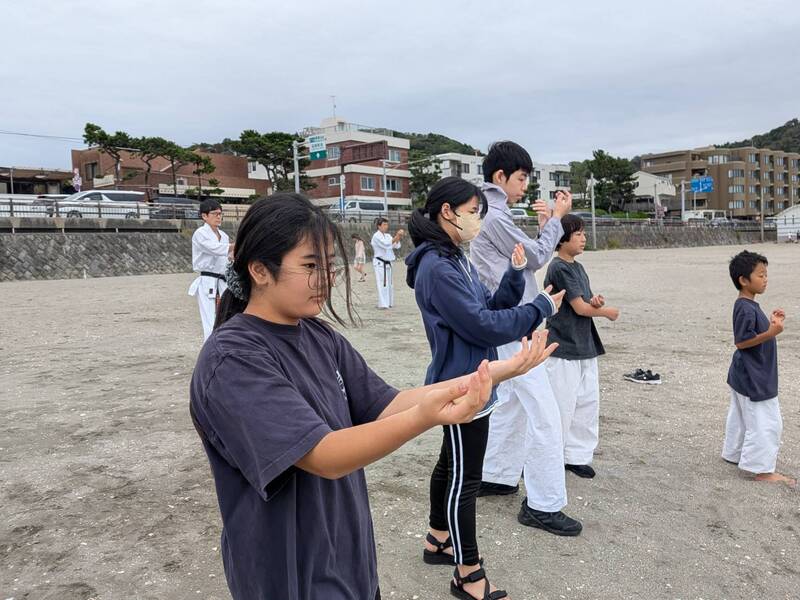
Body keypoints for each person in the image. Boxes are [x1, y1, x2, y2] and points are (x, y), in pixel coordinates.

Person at [189, 193, 556, 600]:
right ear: (259, 269)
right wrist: (429, 416)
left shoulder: (319, 335)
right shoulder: (233, 358)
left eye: (329, 265)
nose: (326, 278)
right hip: (289, 571)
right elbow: (324, 455)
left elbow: (385, 404)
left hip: (347, 557)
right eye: (310, 266)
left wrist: (501, 370)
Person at [406, 176, 563, 600]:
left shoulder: (453, 257)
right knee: (465, 478)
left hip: (470, 376)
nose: (478, 220)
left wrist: (515, 277)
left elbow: (487, 306)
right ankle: (467, 572)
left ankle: (438, 539)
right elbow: (481, 325)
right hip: (461, 385)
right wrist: (539, 308)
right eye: (474, 212)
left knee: (450, 466)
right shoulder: (437, 266)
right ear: (448, 212)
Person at [470, 141, 583, 536]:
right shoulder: (495, 214)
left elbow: (521, 255)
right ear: (500, 177)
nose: (523, 186)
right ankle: (543, 503)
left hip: (505, 320)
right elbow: (534, 258)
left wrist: (545, 225)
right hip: (514, 322)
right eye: (520, 178)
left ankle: (497, 474)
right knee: (544, 413)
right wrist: (556, 218)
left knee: (513, 405)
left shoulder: (486, 211)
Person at [543, 214, 619, 480]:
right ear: (562, 239)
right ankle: (555, 457)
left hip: (584, 344)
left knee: (587, 404)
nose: (583, 238)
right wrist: (605, 312)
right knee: (562, 406)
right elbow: (578, 307)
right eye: (577, 234)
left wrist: (596, 301)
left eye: (584, 233)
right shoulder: (558, 267)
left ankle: (576, 457)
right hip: (563, 346)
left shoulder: (577, 267)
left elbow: (586, 301)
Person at [722, 250, 794, 485]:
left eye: (766, 274)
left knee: (741, 417)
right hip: (754, 375)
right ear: (744, 280)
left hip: (744, 373)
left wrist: (771, 322)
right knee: (767, 421)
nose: (765, 279)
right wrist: (771, 332)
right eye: (760, 275)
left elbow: (754, 332)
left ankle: (733, 454)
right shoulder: (745, 306)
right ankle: (762, 470)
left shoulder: (748, 305)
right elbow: (742, 341)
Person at [187, 199, 232, 341]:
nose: (219, 217)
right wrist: (235, 246)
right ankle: (210, 348)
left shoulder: (224, 236)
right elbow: (215, 249)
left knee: (225, 316)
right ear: (204, 216)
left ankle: (225, 345)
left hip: (223, 280)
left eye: (220, 214)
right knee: (210, 319)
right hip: (207, 280)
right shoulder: (200, 233)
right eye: (215, 213)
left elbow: (228, 257)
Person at [371, 218, 404, 308]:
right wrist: (397, 235)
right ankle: (383, 304)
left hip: (388, 263)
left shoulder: (388, 236)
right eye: (384, 225)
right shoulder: (376, 236)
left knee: (390, 284)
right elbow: (386, 244)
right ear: (379, 226)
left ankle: (389, 302)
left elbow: (396, 246)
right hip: (380, 263)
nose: (386, 227)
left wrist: (399, 237)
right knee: (382, 283)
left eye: (387, 225)